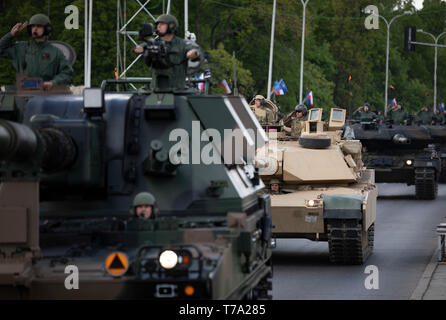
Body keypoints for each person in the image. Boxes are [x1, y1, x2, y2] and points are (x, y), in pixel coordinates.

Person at [0, 14, 73, 89]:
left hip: (46, 93)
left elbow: (67, 72)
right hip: (24, 94)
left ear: (47, 29)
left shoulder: (55, 52)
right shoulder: (21, 48)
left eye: (38, 26)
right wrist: (11, 35)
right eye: (33, 26)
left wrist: (54, 82)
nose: (35, 29)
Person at [134, 14, 201, 91]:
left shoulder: (182, 44)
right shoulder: (154, 43)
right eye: (158, 24)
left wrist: (192, 53)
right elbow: (138, 48)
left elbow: (194, 51)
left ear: (171, 26)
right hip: (156, 91)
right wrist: (143, 49)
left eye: (162, 24)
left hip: (177, 91)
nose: (158, 26)